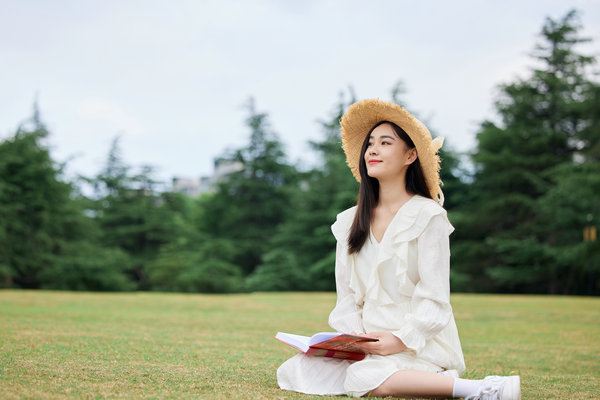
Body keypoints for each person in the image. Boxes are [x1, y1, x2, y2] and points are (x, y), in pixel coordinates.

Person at [277, 99, 521, 399]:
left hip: (418, 340)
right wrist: (353, 341)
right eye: (370, 144)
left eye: (385, 142)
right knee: (297, 369)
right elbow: (347, 299)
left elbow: (435, 299)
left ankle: (481, 389)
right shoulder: (349, 221)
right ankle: (398, 374)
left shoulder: (428, 215)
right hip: (366, 344)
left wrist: (400, 340)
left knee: (365, 376)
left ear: (410, 155)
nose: (373, 150)